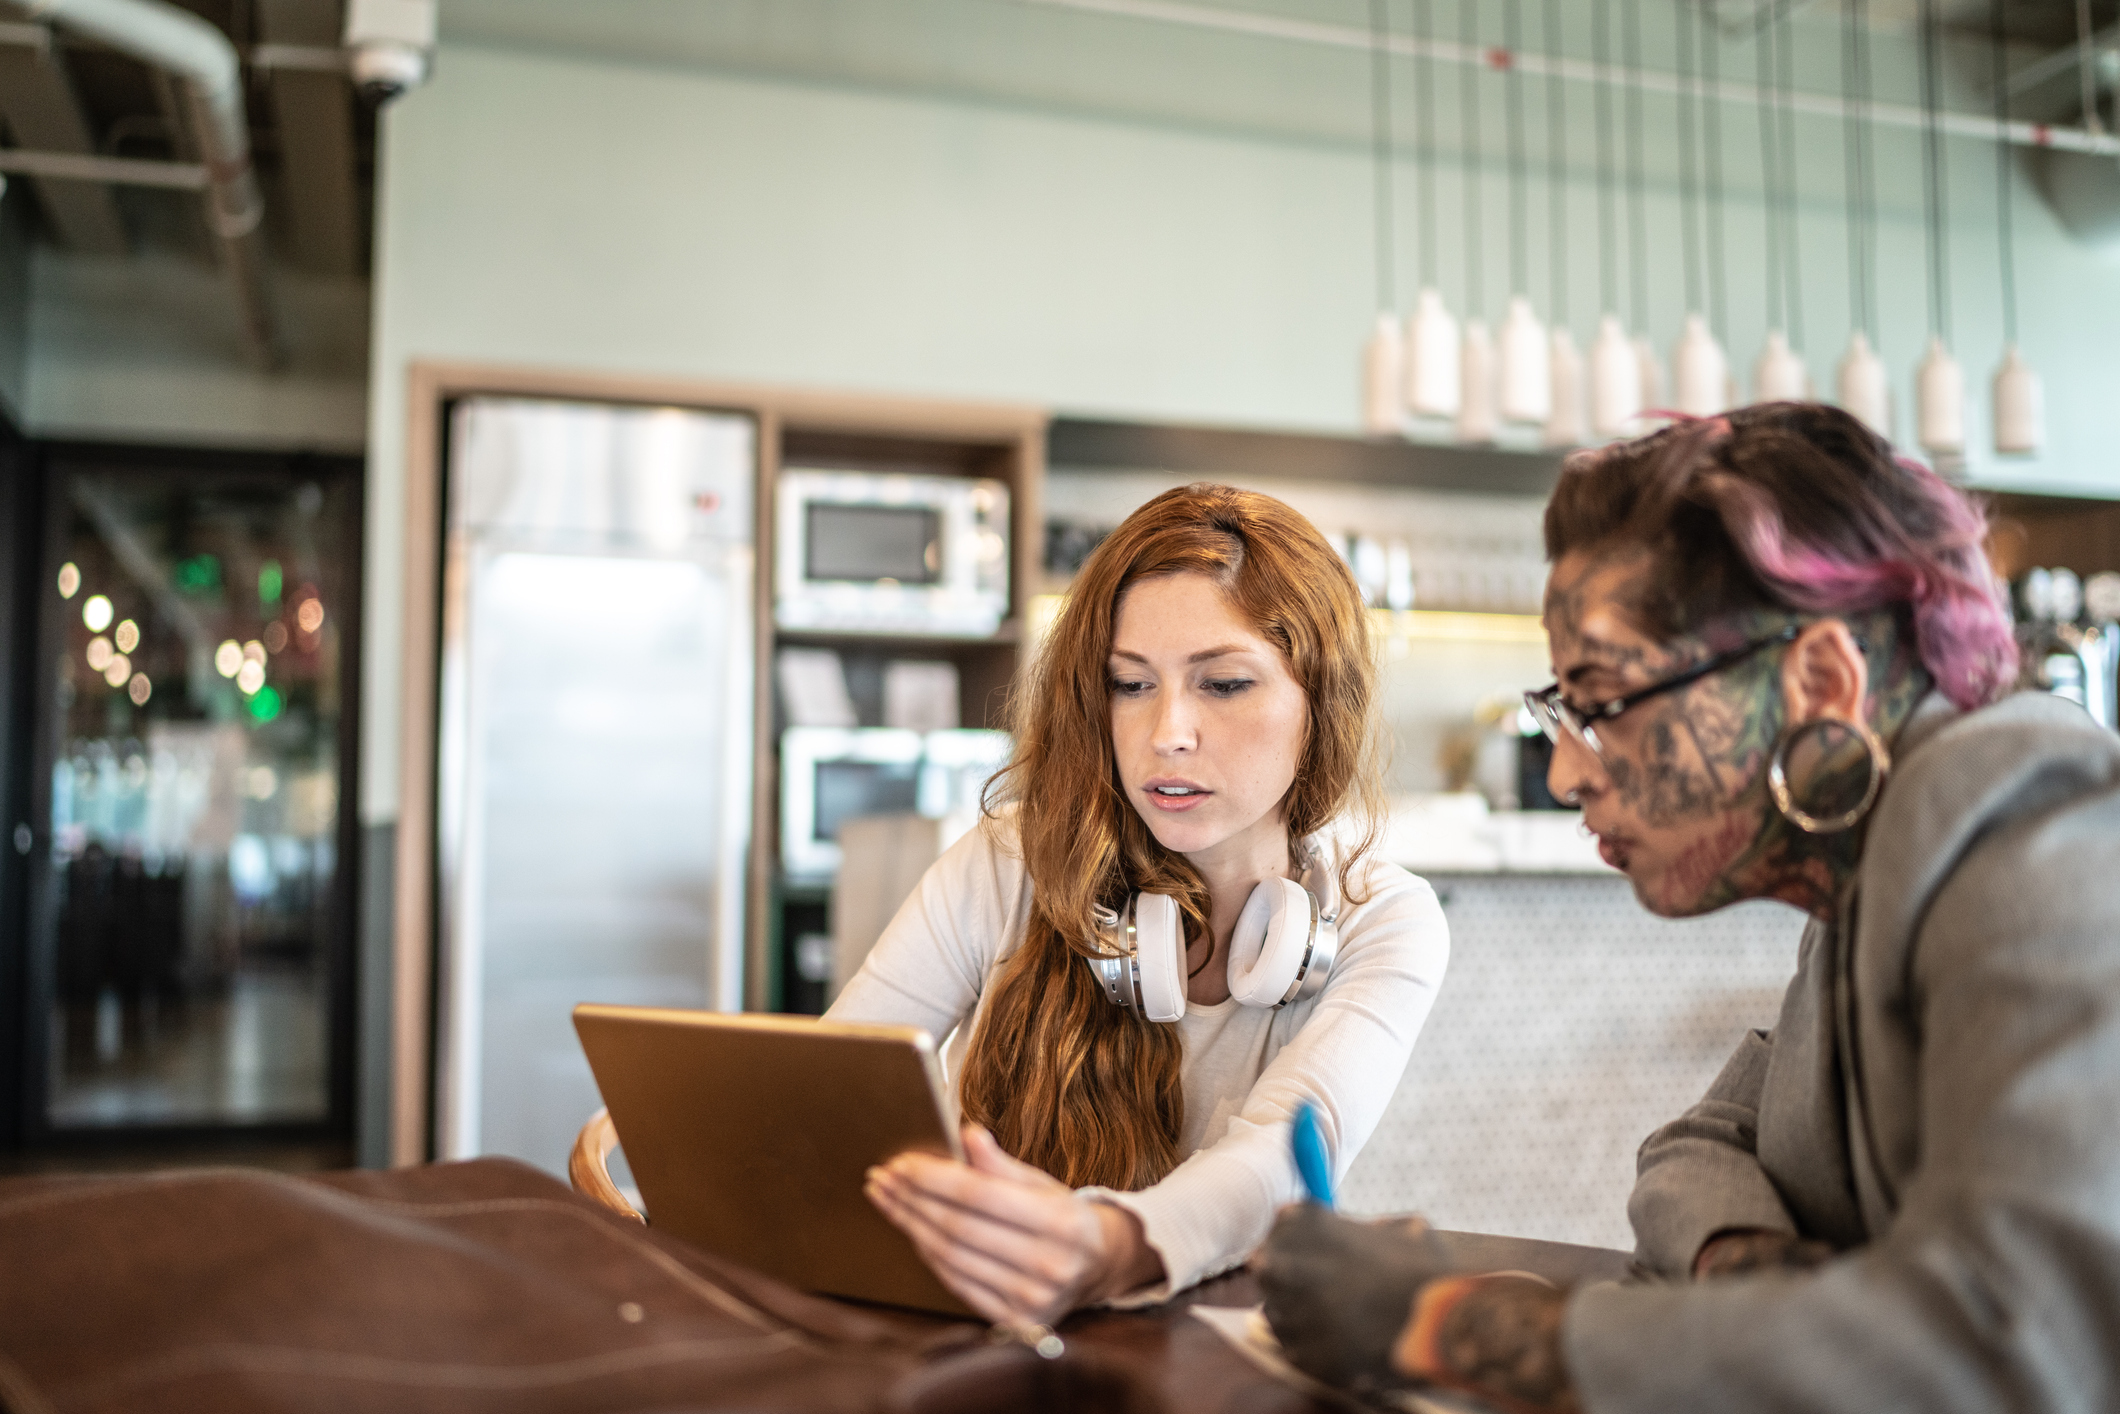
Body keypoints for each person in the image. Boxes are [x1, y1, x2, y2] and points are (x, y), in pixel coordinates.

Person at [1261, 403, 2120, 1411]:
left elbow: (2010, 1352)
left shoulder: (2037, 838)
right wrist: (1782, 1284)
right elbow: (1697, 1146)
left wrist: (1441, 1323)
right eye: (1558, 711)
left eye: (1602, 700)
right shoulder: (1857, 885)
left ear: (1820, 680)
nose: (1569, 769)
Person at [830, 482, 1450, 1326]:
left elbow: (1277, 1157)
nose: (1167, 733)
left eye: (1223, 684)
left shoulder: (1385, 920)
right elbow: (836, 1083)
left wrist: (1105, 1247)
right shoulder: (1009, 863)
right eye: (1130, 685)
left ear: (1321, 704)